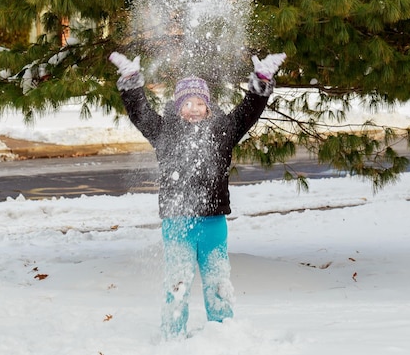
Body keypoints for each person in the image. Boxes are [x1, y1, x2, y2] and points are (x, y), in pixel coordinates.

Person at [109, 51, 286, 339]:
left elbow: (247, 112)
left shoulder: (223, 130)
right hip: (178, 225)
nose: (193, 108)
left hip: (214, 225)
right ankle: (173, 337)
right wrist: (131, 84)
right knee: (177, 284)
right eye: (187, 103)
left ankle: (223, 335)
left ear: (208, 107)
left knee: (218, 284)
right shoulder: (164, 131)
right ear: (178, 107)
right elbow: (139, 113)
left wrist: (260, 83)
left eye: (199, 103)